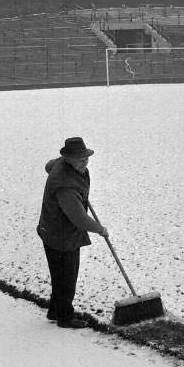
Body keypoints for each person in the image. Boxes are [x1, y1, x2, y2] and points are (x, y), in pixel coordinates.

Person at [37, 137, 108, 328]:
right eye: (80, 160)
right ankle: (65, 318)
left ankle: (55, 310)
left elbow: (48, 166)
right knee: (66, 278)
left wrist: (80, 194)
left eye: (85, 158)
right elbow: (79, 218)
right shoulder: (65, 186)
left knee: (60, 275)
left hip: (53, 230)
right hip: (60, 235)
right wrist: (100, 229)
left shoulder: (61, 165)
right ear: (68, 159)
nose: (84, 163)